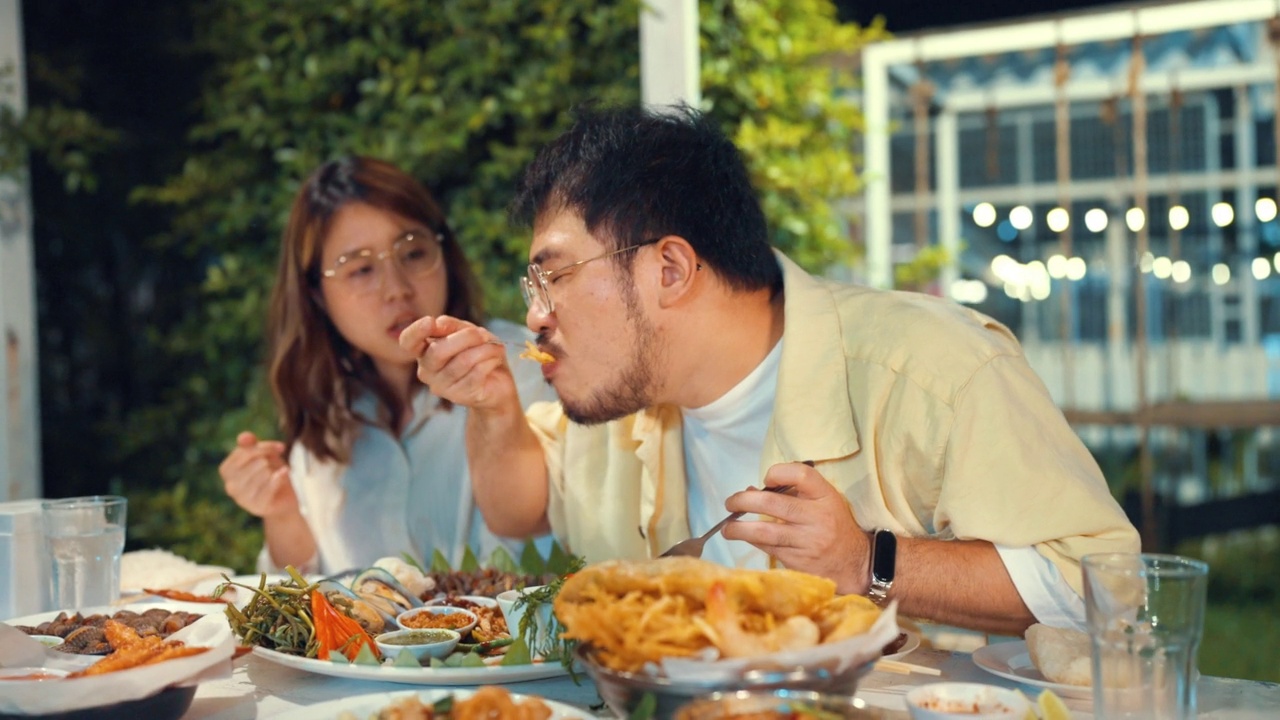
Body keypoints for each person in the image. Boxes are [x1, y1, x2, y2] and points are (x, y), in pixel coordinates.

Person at [400, 105, 1139, 635]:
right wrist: (493, 407)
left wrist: (870, 562)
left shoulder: (929, 365)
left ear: (670, 268)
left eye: (553, 277)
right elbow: (519, 507)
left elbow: (1105, 586)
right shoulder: (626, 396)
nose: (535, 315)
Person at [218, 156, 555, 575]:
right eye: (360, 269)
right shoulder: (328, 419)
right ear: (317, 295)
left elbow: (542, 528)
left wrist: (496, 412)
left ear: (444, 254)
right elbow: (311, 594)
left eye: (413, 253)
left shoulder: (528, 368)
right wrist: (281, 511)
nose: (396, 289)